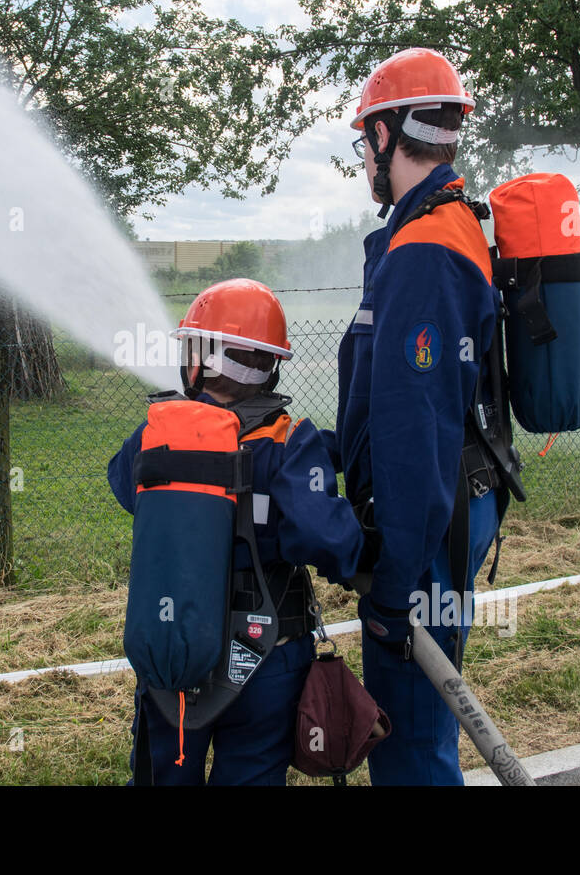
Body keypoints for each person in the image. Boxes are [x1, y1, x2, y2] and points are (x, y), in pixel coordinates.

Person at [330, 48, 509, 785]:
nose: (365, 155)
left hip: (423, 530)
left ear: (385, 135)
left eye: (365, 138)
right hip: (451, 508)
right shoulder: (453, 221)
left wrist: (396, 584)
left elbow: (414, 433)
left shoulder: (422, 251)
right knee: (424, 728)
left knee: (408, 745)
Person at [108, 278, 363, 785]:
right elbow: (329, 540)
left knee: (166, 774)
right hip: (267, 657)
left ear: (202, 359)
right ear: (269, 365)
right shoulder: (291, 441)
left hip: (174, 646)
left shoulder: (156, 431)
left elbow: (123, 485)